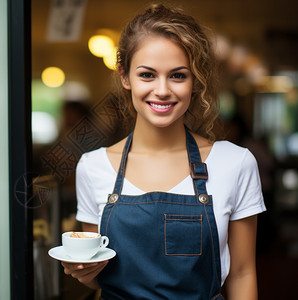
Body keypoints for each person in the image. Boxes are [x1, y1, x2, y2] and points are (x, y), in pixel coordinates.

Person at [61, 4, 266, 299]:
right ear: (125, 77)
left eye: (178, 76)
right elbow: (99, 276)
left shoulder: (235, 163)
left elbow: (243, 273)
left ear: (195, 81)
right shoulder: (93, 167)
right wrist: (84, 274)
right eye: (147, 75)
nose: (162, 90)